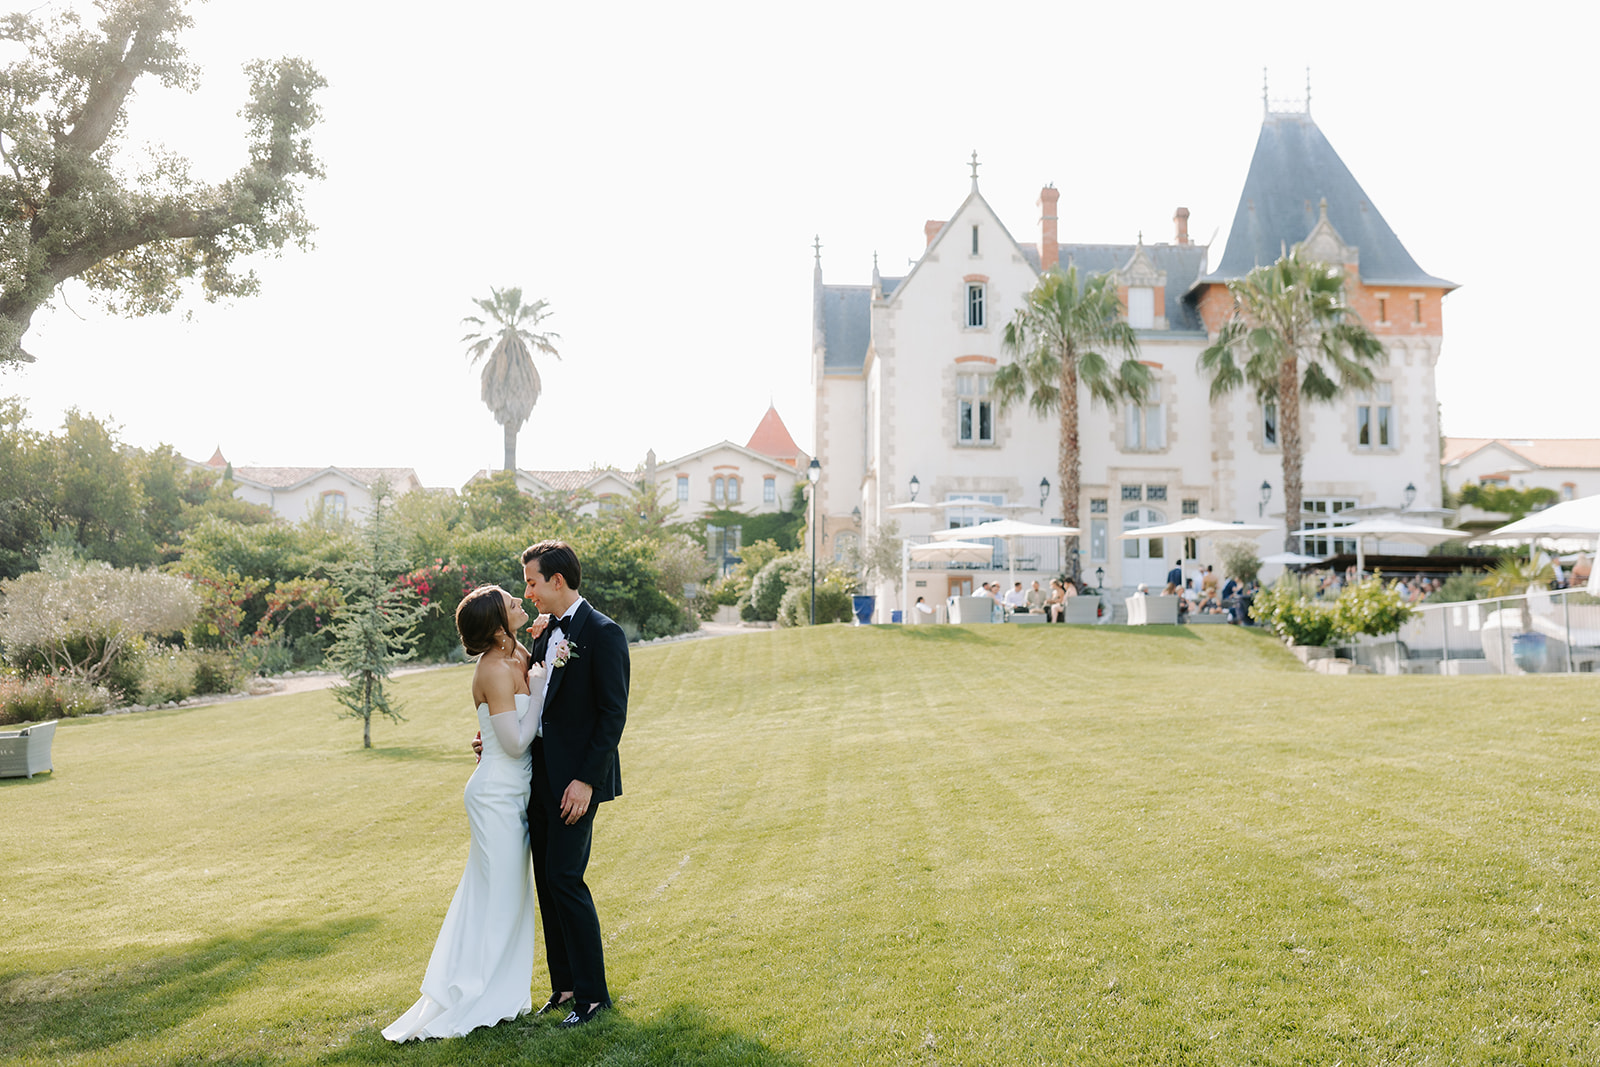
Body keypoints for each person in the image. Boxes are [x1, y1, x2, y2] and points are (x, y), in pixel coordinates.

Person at [384, 585, 540, 1042]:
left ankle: (501, 990)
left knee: (508, 898)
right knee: (498, 899)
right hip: (495, 793)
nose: (519, 604)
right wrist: (544, 692)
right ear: (495, 625)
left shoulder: (517, 652)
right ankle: (474, 992)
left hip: (516, 790)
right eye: (512, 602)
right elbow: (513, 743)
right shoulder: (492, 669)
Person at [520, 540, 629, 1028]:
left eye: (532, 581)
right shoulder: (546, 636)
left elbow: (612, 716)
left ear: (557, 581)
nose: (528, 593)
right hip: (538, 775)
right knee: (546, 880)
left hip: (575, 783)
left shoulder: (604, 634)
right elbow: (539, 705)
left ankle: (593, 995)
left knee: (566, 877)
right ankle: (563, 986)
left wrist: (586, 780)